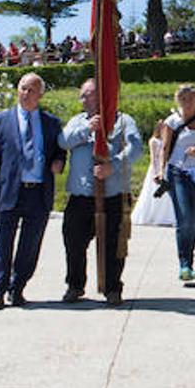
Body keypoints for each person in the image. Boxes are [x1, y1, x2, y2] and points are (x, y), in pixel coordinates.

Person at [0, 73, 66, 310]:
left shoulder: (51, 123)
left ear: (40, 95)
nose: (25, 94)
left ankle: (18, 287)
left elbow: (59, 150)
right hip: (11, 190)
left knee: (30, 245)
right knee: (3, 243)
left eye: (31, 90)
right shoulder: (1, 120)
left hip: (38, 192)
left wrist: (58, 161)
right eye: (23, 88)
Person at [57, 79, 143, 306]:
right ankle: (75, 285)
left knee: (114, 245)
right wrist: (88, 129)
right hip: (81, 196)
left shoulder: (123, 121)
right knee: (73, 242)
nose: (84, 99)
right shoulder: (77, 121)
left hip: (113, 194)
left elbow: (135, 149)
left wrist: (112, 165)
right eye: (82, 95)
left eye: (90, 94)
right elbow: (63, 141)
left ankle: (112, 288)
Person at [156, 84, 195, 281]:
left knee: (194, 219)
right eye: (183, 99)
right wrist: (159, 170)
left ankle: (190, 261)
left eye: (191, 98)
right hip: (177, 173)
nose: (187, 103)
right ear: (178, 101)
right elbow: (164, 148)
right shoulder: (171, 122)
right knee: (185, 218)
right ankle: (184, 264)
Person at [130, 124, 176, 227]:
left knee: (166, 194)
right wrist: (156, 172)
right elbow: (153, 157)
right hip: (156, 168)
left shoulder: (167, 141)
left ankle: (164, 217)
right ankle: (149, 216)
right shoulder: (153, 140)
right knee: (152, 192)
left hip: (165, 167)